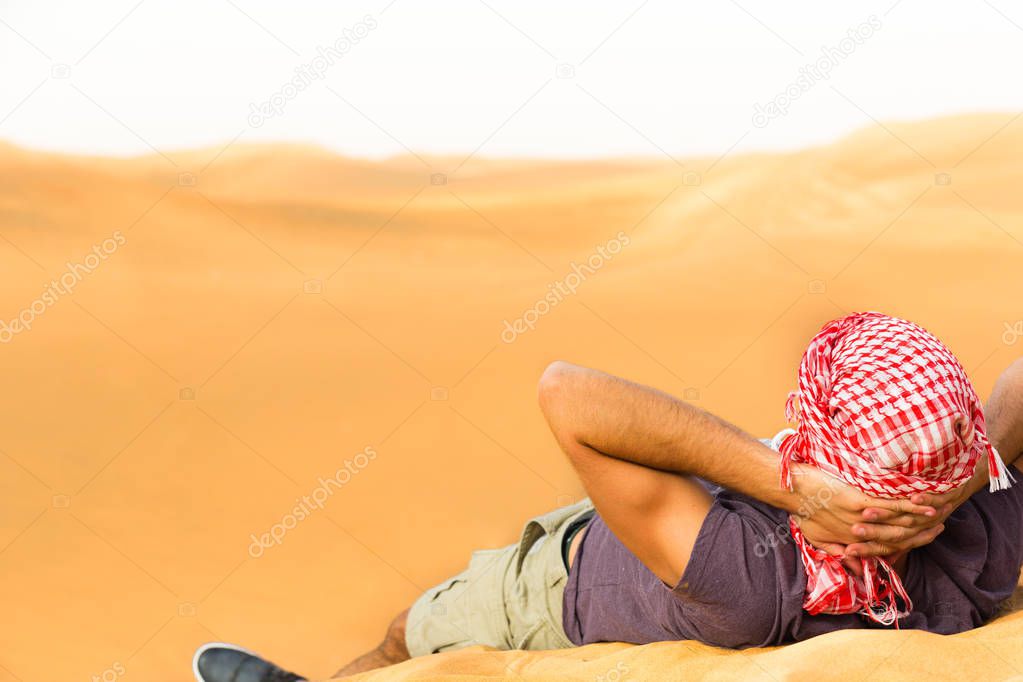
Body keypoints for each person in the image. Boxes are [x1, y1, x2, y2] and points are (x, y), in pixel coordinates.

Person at [192, 312, 1023, 681]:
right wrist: (952, 478)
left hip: (566, 586)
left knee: (407, 634)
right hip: (698, 513)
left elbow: (568, 394)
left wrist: (791, 485)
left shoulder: (749, 581)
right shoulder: (985, 528)